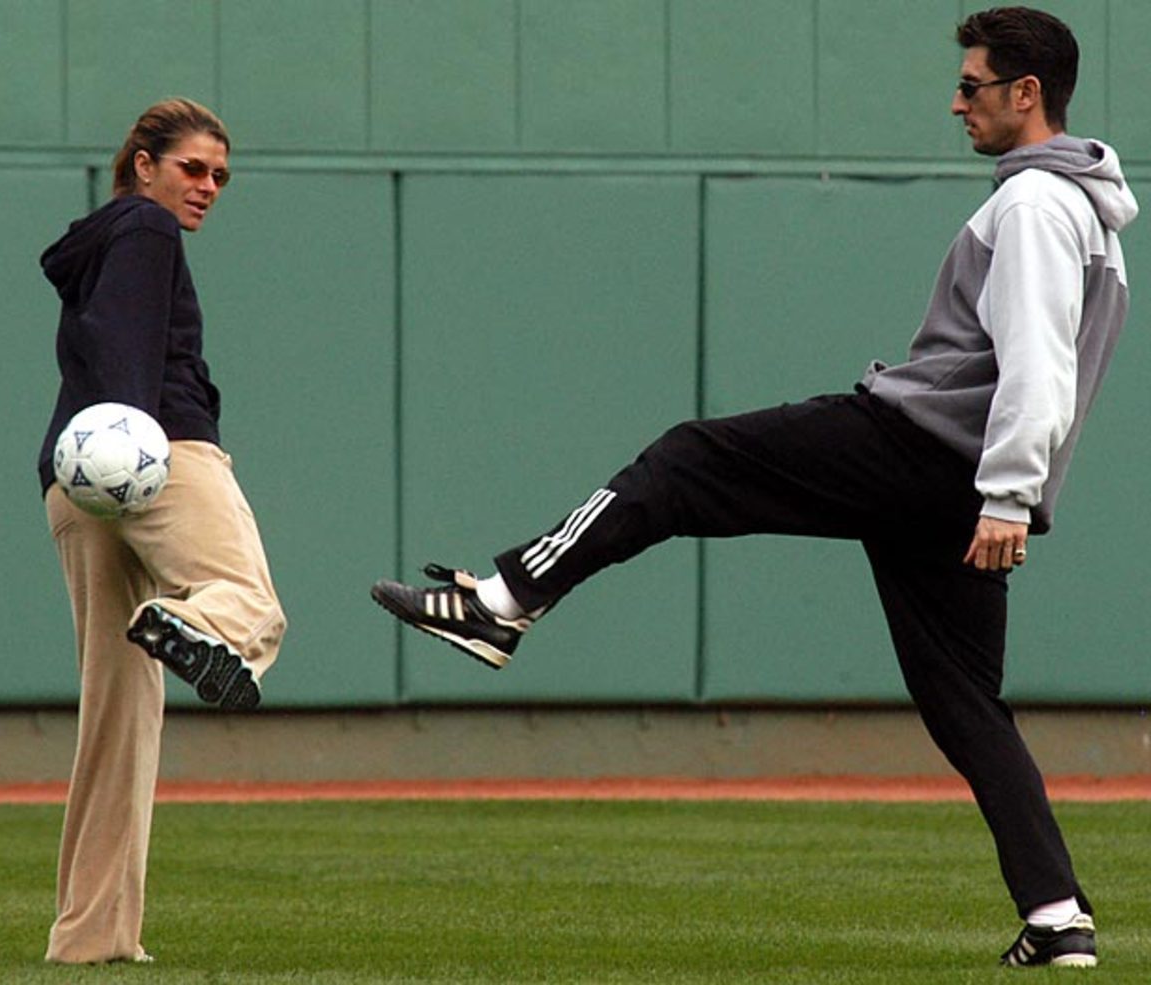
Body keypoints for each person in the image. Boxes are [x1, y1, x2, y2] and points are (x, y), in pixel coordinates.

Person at [371, 7, 1136, 969]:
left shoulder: (1032, 205)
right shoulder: (1089, 215)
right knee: (964, 702)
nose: (956, 102)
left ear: (1027, 94)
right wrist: (1006, 490)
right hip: (961, 481)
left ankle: (502, 600)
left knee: (692, 458)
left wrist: (1007, 493)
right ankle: (1058, 914)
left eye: (972, 85)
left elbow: (1038, 366)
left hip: (925, 451)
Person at [37, 98, 287, 964]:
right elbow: (123, 340)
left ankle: (89, 938)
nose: (208, 186)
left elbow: (103, 332)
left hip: (75, 482)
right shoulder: (145, 226)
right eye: (193, 167)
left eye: (220, 175)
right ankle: (194, 626)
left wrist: (107, 447)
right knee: (248, 607)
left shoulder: (102, 241)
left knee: (117, 718)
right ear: (143, 163)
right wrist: (136, 433)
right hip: (154, 452)